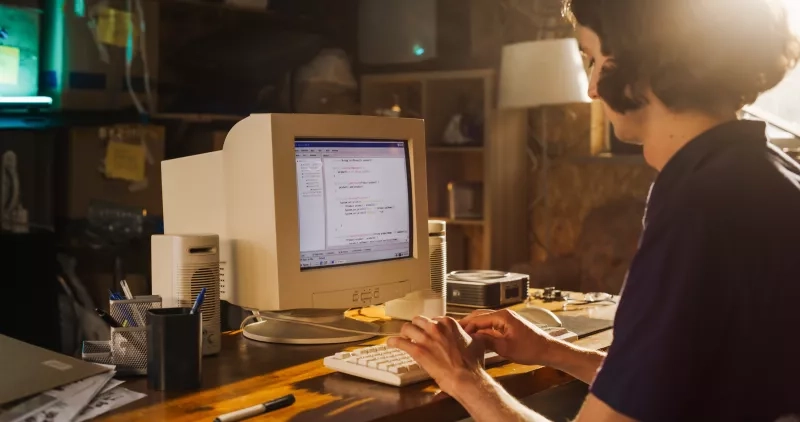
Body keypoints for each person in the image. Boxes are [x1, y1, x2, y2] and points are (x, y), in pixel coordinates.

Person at [387, 0, 800, 420]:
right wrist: (550, 350)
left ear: (640, 64)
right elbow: (672, 383)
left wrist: (464, 378)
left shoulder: (699, 211)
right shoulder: (763, 174)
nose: (592, 88)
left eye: (593, 59)